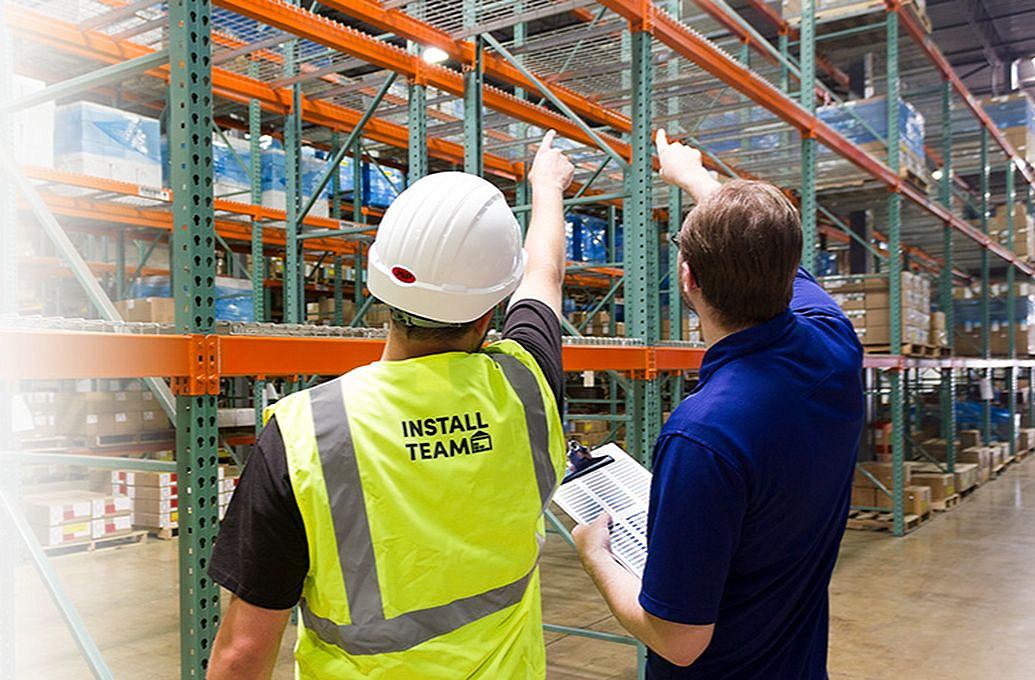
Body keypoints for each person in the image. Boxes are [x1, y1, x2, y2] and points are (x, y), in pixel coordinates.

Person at [206, 131, 575, 679]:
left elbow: (243, 654)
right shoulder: (528, 384)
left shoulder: (306, 432)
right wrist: (547, 187)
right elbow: (545, 273)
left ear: (381, 286)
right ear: (491, 308)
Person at [573, 129, 864, 679]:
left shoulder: (704, 435)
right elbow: (764, 249)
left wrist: (595, 554)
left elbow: (678, 640)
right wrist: (696, 180)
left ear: (687, 278)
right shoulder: (835, 346)